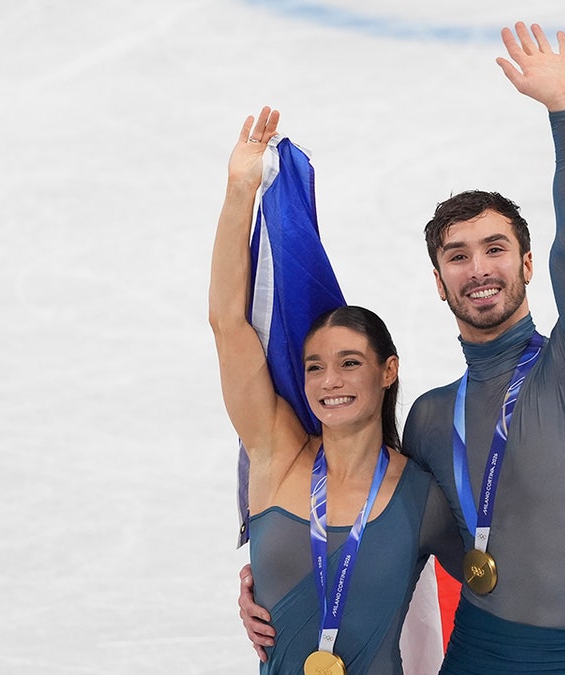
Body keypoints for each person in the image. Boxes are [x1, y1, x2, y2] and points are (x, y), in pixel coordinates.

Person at [239, 22, 565, 671]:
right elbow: (379, 529)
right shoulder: (431, 419)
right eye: (457, 256)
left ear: (527, 264)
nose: (478, 267)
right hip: (477, 655)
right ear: (438, 281)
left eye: (495, 249)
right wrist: (273, 573)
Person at [211, 108, 463, 673]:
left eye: (350, 363)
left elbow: (498, 582)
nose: (330, 381)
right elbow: (229, 326)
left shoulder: (421, 495)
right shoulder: (274, 457)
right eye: (315, 367)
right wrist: (238, 192)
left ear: (387, 372)